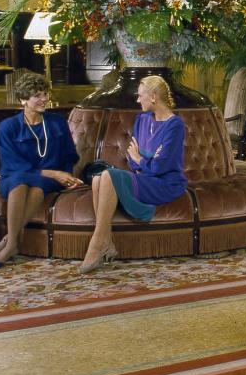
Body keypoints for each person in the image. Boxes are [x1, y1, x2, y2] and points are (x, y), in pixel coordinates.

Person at [79, 75, 188, 273]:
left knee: (109, 176)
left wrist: (141, 160)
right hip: (145, 176)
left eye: (140, 96)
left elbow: (159, 168)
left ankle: (96, 244)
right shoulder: (142, 119)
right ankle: (107, 242)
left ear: (153, 97)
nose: (137, 101)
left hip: (166, 184)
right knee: (98, 178)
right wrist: (142, 161)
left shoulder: (175, 126)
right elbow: (132, 157)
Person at [0, 72, 79, 268]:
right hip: (14, 177)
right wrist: (53, 173)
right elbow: (13, 164)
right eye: (37, 95)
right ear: (23, 99)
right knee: (20, 182)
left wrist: (66, 175)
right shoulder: (8, 127)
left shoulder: (57, 122)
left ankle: (9, 241)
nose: (44, 99)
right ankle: (13, 241)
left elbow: (69, 154)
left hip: (50, 179)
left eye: (45, 93)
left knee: (37, 186)